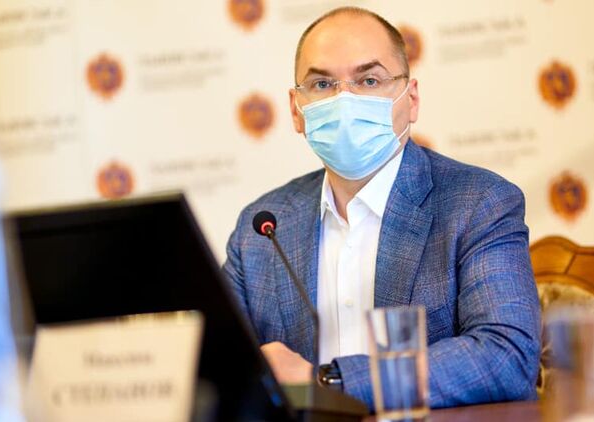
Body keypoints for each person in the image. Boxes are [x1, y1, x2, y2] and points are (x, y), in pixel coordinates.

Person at [222, 6, 541, 410]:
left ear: (411, 99)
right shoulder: (262, 228)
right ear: (296, 110)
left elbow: (506, 357)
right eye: (322, 84)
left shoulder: (478, 203)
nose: (344, 100)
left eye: (369, 80)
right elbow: (216, 367)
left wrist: (327, 383)